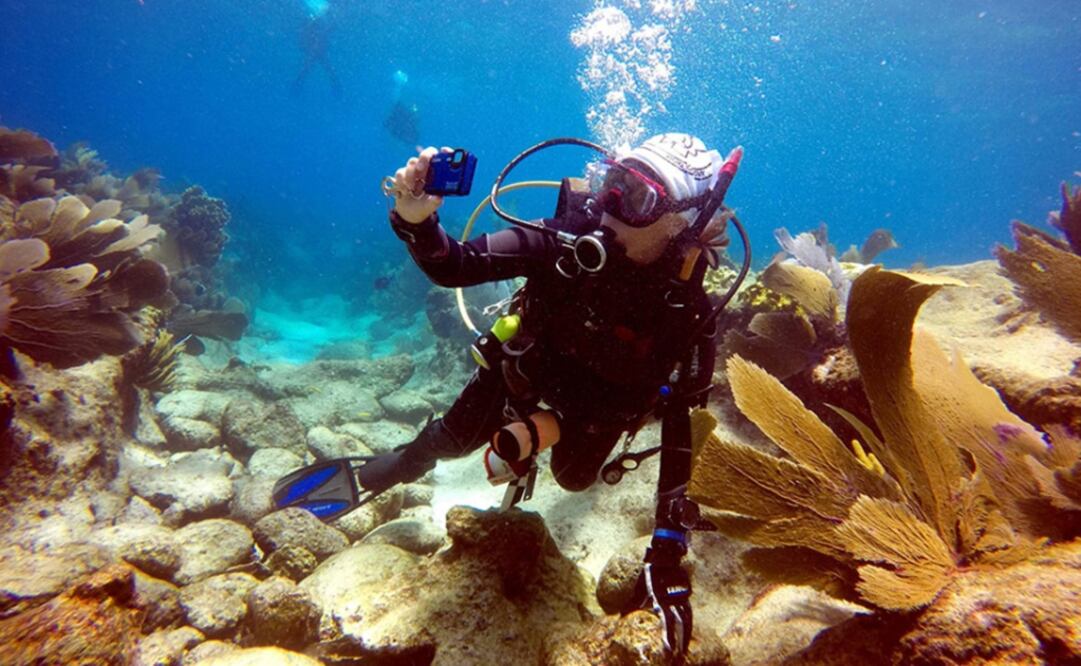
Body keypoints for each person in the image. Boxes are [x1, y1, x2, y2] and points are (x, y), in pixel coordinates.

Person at [367, 133, 742, 658]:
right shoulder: (563, 241)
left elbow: (681, 423)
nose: (608, 210)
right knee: (449, 442)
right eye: (612, 185)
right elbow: (456, 264)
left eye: (635, 199)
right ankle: (399, 462)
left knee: (574, 479)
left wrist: (667, 550)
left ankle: (545, 435)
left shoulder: (688, 311)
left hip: (595, 416)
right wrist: (415, 220)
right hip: (521, 373)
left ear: (683, 221)